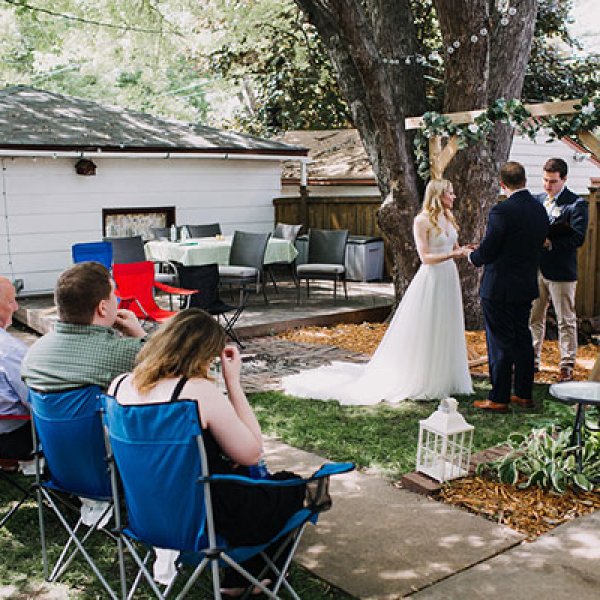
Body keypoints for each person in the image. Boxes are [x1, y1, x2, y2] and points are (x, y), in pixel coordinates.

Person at [108, 308, 306, 595]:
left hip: (145, 514)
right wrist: (233, 383)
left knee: (251, 487)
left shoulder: (118, 386)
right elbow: (251, 453)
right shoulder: (197, 390)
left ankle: (240, 580)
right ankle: (247, 578)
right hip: (203, 518)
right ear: (203, 356)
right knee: (290, 485)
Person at [282, 179, 473, 404]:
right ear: (438, 195)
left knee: (447, 324)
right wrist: (453, 255)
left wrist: (464, 251)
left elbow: (452, 248)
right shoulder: (422, 221)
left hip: (449, 276)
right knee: (430, 324)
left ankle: (447, 375)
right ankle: (426, 376)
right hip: (432, 278)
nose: (454, 196)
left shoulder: (449, 219)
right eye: (450, 193)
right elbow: (425, 258)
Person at [468, 162, 549, 412]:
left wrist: (474, 257)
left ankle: (499, 398)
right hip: (525, 285)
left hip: (499, 287)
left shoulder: (502, 211)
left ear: (502, 184)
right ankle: (524, 394)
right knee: (522, 339)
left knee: (499, 343)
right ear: (524, 180)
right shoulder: (539, 209)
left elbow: (489, 249)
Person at [22, 262, 146, 391]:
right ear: (102, 308)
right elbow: (165, 363)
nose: (116, 300)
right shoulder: (126, 352)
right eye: (114, 294)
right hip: (101, 411)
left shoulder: (33, 355)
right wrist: (140, 334)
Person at [529, 158, 588, 382]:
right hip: (536, 268)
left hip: (562, 270)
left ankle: (567, 364)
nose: (547, 186)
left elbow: (578, 237)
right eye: (545, 180)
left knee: (565, 319)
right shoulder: (537, 200)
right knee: (534, 316)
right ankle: (532, 359)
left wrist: (550, 243)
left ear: (564, 179)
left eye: (552, 181)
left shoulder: (576, 204)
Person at [0, 277, 33, 461]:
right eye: (11, 301)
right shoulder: (9, 350)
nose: (16, 307)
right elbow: (34, 401)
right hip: (12, 437)